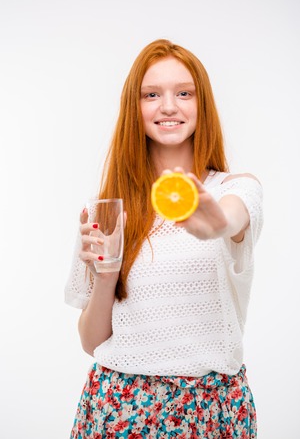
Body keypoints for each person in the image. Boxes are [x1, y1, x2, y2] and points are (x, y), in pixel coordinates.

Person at [65, 38, 263, 438]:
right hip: (120, 405)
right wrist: (106, 274)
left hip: (211, 408)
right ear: (133, 109)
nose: (168, 106)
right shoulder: (108, 208)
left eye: (184, 93)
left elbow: (233, 217)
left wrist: (213, 225)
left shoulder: (234, 190)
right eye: (151, 94)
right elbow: (92, 342)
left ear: (201, 104)